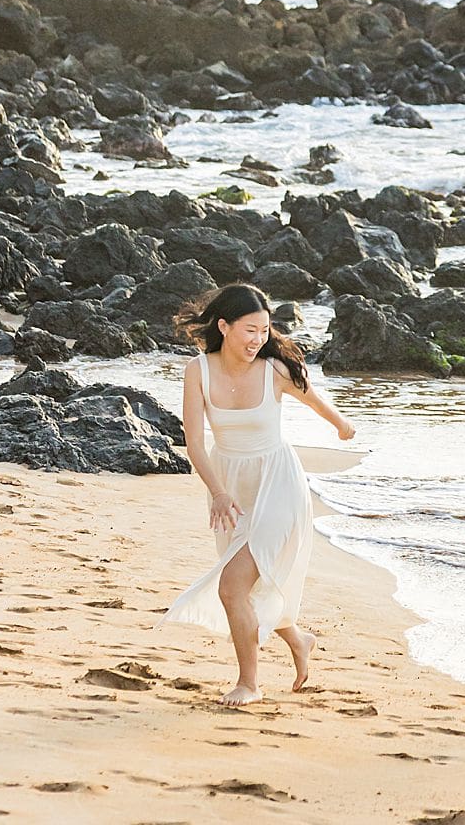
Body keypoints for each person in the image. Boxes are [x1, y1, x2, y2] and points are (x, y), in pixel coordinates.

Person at [163, 282, 355, 707]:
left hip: (279, 482)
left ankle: (249, 683)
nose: (258, 340)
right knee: (251, 584)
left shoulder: (274, 371)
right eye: (250, 330)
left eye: (265, 331)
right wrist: (217, 492)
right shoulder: (199, 370)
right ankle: (299, 639)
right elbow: (194, 441)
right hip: (231, 486)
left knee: (233, 586)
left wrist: (342, 426)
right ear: (225, 326)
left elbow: (315, 401)